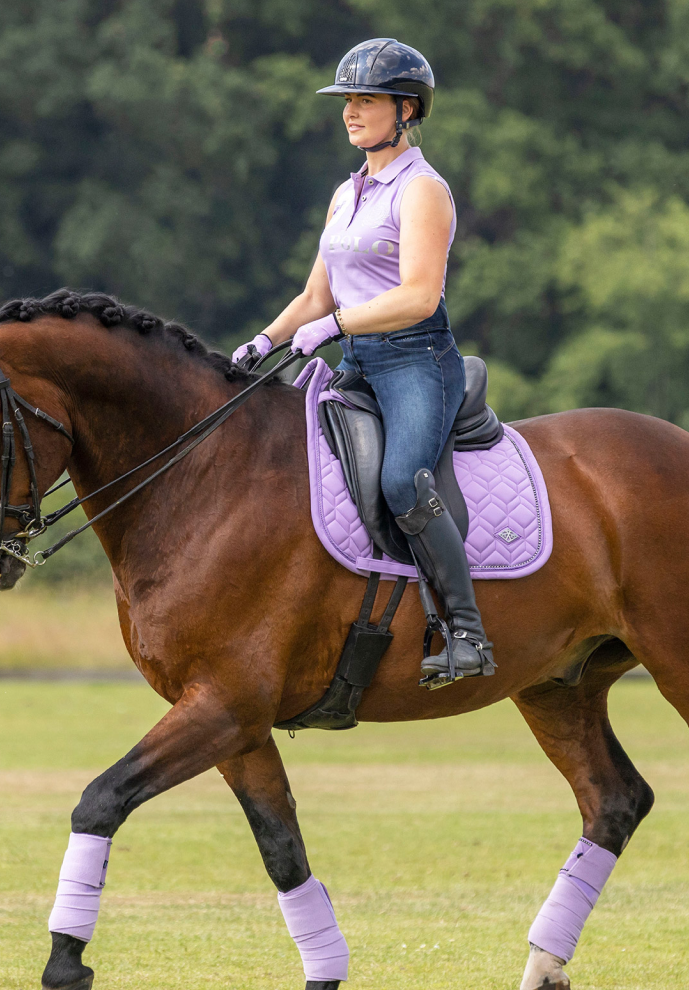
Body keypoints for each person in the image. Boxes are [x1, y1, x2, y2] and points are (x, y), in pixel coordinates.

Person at [233, 37, 494, 687]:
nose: (350, 111)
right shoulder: (345, 194)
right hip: (356, 362)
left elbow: (419, 295)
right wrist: (263, 341)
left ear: (406, 109)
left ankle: (468, 634)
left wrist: (336, 325)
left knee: (404, 479)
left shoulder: (422, 190)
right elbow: (315, 295)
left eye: (366, 100)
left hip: (416, 362)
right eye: (347, 100)